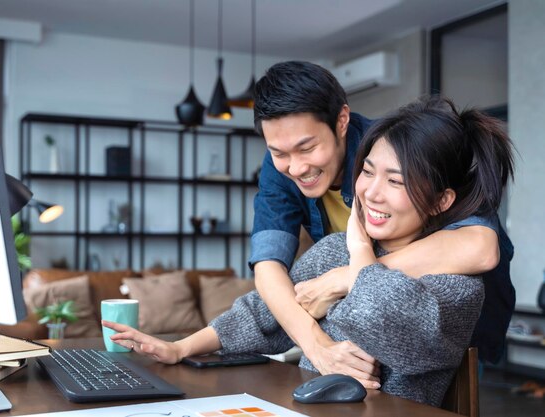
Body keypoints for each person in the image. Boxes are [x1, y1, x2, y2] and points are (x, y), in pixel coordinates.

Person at [103, 96, 515, 407]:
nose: (369, 192)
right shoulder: (333, 250)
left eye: (396, 180)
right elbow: (263, 313)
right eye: (368, 171)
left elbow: (379, 314)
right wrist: (180, 348)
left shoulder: (458, 291)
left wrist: (357, 255)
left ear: (442, 200)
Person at [249, 61, 514, 375]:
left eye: (307, 147)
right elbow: (268, 266)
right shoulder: (281, 165)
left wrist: (349, 277)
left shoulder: (398, 148)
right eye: (279, 152)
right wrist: (316, 345)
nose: (295, 167)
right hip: (371, 321)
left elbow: (480, 248)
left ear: (342, 121)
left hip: (447, 328)